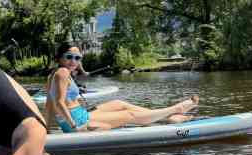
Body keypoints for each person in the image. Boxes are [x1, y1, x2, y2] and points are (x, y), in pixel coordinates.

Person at [46, 43, 198, 133]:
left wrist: (45, 129)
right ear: (60, 58)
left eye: (77, 58)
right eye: (69, 57)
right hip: (77, 120)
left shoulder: (54, 74)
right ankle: (176, 109)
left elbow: (48, 105)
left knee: (119, 104)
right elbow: (58, 103)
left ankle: (169, 118)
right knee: (129, 115)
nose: (74, 61)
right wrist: (74, 127)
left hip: (79, 114)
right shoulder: (63, 72)